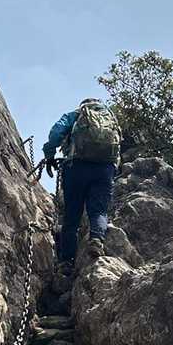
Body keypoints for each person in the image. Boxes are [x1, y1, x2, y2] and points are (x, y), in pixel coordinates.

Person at [42, 98, 122, 275]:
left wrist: (49, 154)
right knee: (99, 211)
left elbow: (56, 132)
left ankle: (66, 262)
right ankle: (96, 240)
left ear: (83, 105)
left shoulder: (77, 114)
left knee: (72, 215)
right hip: (104, 169)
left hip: (76, 167)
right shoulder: (111, 118)